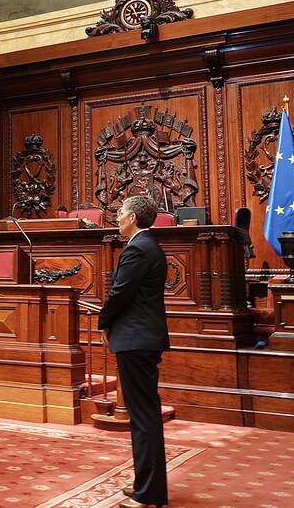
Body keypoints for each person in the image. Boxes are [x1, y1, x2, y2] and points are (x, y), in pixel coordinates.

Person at [98, 195, 169, 508]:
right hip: (141, 338)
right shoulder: (146, 245)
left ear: (134, 218)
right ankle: (147, 485)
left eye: (121, 212)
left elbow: (120, 293)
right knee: (145, 416)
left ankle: (148, 493)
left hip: (136, 339)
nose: (117, 217)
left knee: (143, 418)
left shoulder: (138, 248)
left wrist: (103, 322)